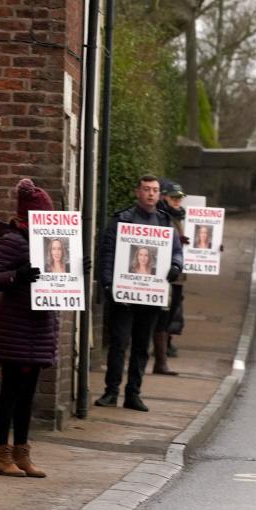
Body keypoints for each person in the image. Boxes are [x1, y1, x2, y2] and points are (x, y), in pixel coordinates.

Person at [0, 178, 59, 478]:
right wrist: (19, 275)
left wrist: (77, 268)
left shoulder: (49, 242)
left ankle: (22, 453)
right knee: (10, 392)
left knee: (28, 395)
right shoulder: (14, 241)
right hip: (16, 328)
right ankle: (2, 455)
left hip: (38, 327)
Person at [95, 174, 184, 412]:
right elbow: (107, 253)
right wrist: (106, 284)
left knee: (141, 347)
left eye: (155, 190)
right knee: (119, 343)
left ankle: (133, 393)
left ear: (159, 194)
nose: (151, 193)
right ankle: (111, 392)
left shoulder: (165, 223)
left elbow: (176, 251)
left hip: (150, 296)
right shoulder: (122, 219)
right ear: (138, 192)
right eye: (146, 189)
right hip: (124, 295)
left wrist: (176, 266)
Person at [153, 180, 188, 374]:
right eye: (173, 197)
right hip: (164, 276)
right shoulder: (162, 217)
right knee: (163, 317)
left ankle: (163, 357)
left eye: (180, 198)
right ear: (164, 197)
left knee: (170, 315)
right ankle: (161, 362)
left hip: (178, 276)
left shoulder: (178, 217)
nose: (177, 201)